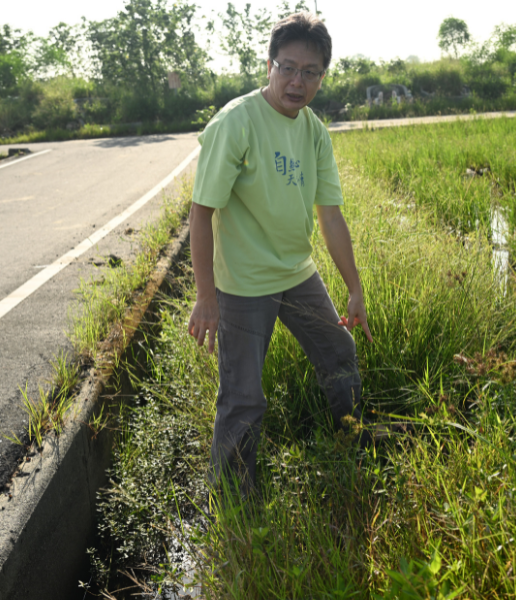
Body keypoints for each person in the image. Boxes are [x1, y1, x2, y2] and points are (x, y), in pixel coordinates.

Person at [187, 11, 372, 498]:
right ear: (268, 65)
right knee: (244, 399)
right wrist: (206, 296)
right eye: (287, 67)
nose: (297, 81)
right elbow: (201, 214)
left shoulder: (313, 130)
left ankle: (352, 441)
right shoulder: (236, 122)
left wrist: (354, 288)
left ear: (322, 77)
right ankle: (234, 502)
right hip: (243, 284)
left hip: (296, 272)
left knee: (339, 354)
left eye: (310, 72)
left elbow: (330, 216)